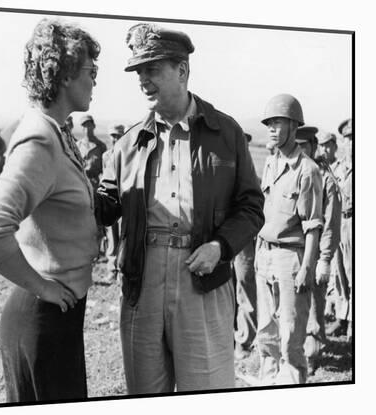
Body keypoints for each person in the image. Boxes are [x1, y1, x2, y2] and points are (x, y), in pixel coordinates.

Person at [96, 23, 264, 393]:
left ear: (182, 70)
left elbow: (251, 205)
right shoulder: (128, 145)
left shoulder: (226, 133)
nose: (143, 80)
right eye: (139, 72)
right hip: (142, 283)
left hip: (203, 278)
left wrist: (221, 247)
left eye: (152, 69)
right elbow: (105, 207)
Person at [0, 18, 100, 402]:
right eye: (91, 72)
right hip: (42, 315)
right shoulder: (41, 139)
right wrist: (42, 286)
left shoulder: (57, 131)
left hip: (58, 315)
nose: (95, 81)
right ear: (65, 76)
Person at [256, 94, 323, 385]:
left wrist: (308, 266)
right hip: (265, 255)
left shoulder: (308, 170)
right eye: (269, 123)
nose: (271, 128)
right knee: (266, 336)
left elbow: (312, 226)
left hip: (291, 260)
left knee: (290, 340)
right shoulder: (271, 163)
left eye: (278, 122)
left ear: (294, 126)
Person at [295, 126, 341, 375]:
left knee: (314, 304)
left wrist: (324, 259)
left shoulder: (326, 179)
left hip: (315, 253)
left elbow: (332, 223)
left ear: (313, 146)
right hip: (295, 251)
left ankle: (312, 354)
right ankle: (297, 350)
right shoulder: (296, 171)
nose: (300, 150)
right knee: (296, 305)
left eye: (304, 146)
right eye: (297, 145)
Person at [326, 118, 353, 339]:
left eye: (354, 138)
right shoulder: (338, 168)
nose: (351, 143)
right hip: (339, 223)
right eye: (348, 139)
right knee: (339, 273)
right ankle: (342, 318)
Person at [233, 131, 258, 360]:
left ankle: (245, 340)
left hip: (243, 242)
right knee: (226, 290)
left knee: (245, 288)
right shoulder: (221, 172)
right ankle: (231, 336)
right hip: (221, 242)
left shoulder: (252, 178)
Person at [100, 124, 125, 283]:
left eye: (118, 135)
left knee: (123, 236)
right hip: (111, 202)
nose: (115, 139)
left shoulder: (128, 154)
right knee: (111, 237)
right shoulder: (106, 155)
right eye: (113, 136)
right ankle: (111, 269)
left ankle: (122, 269)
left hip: (125, 201)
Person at [77, 114, 106, 191]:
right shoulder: (77, 145)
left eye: (89, 125)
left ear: (94, 126)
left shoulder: (101, 146)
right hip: (79, 184)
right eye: (84, 126)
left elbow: (105, 169)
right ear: (82, 128)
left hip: (95, 185)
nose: (87, 128)